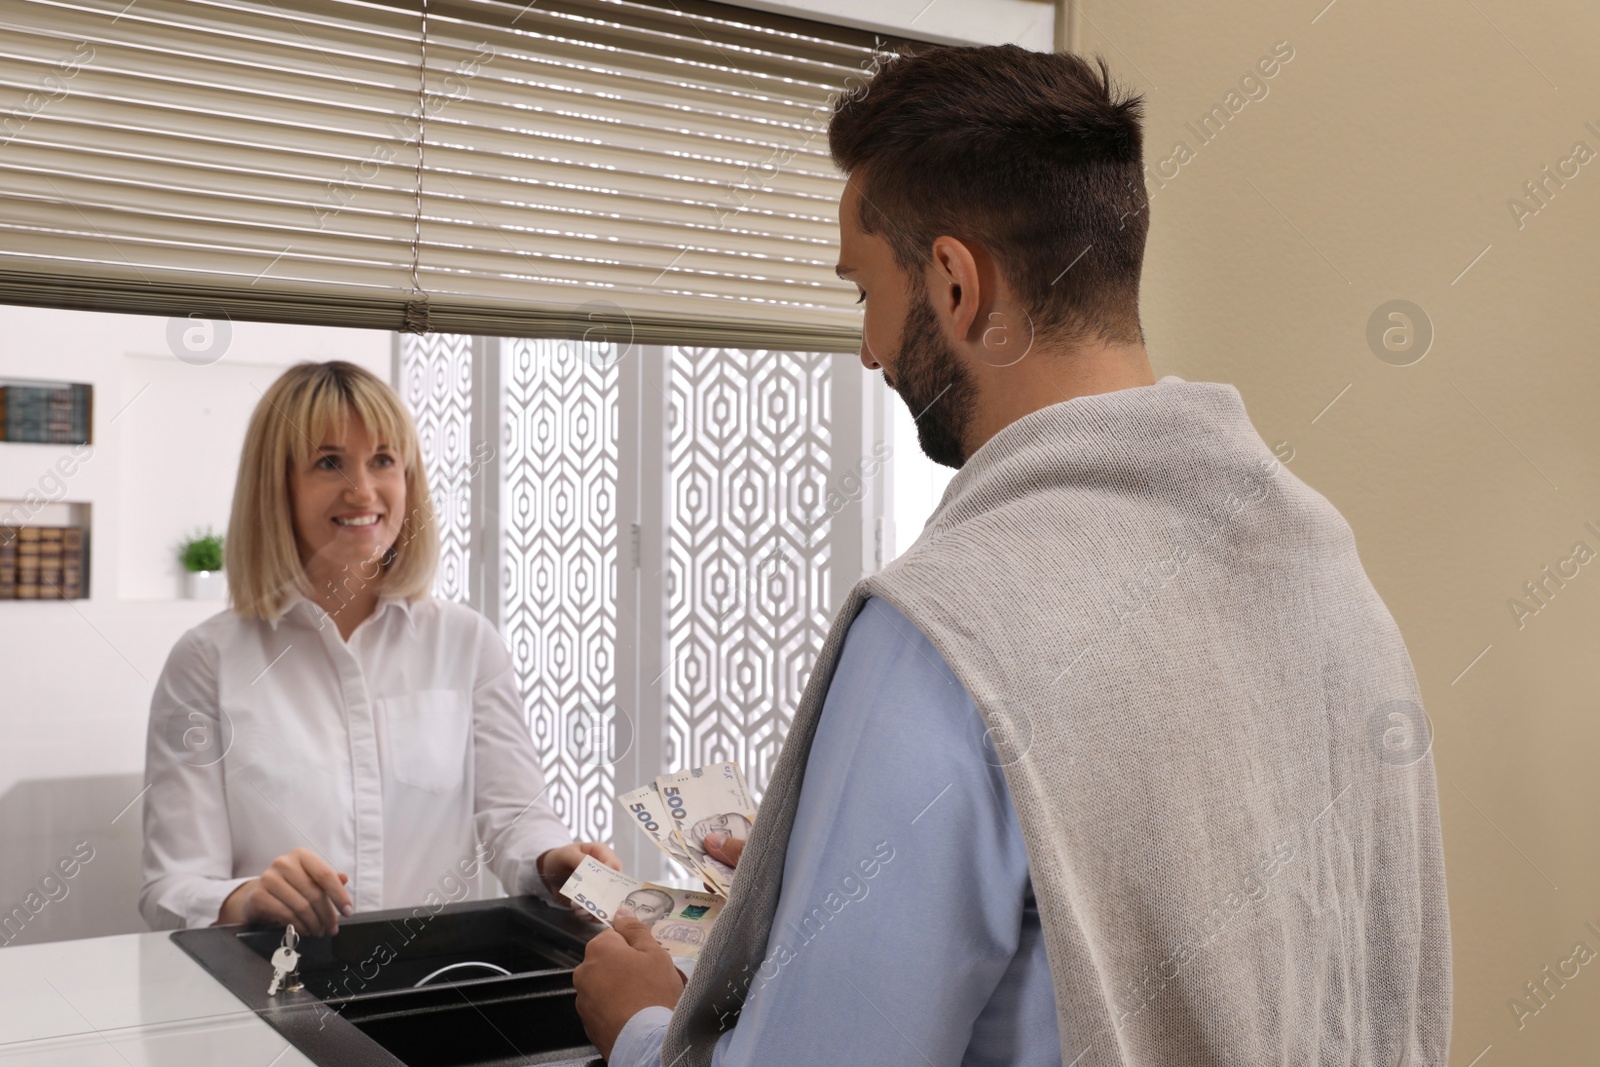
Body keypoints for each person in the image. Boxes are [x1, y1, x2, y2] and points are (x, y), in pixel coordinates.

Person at [572, 44, 1451, 1066]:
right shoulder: (1327, 574)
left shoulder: (945, 637)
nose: (866, 348)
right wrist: (829, 857)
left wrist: (639, 1026)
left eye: (865, 293)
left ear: (954, 283)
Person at [139, 360, 618, 935]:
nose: (362, 490)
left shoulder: (466, 642)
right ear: (277, 486)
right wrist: (247, 898)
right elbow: (170, 887)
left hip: (427, 983)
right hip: (268, 988)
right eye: (329, 462)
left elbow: (515, 817)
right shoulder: (206, 660)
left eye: (384, 461)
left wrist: (552, 862)